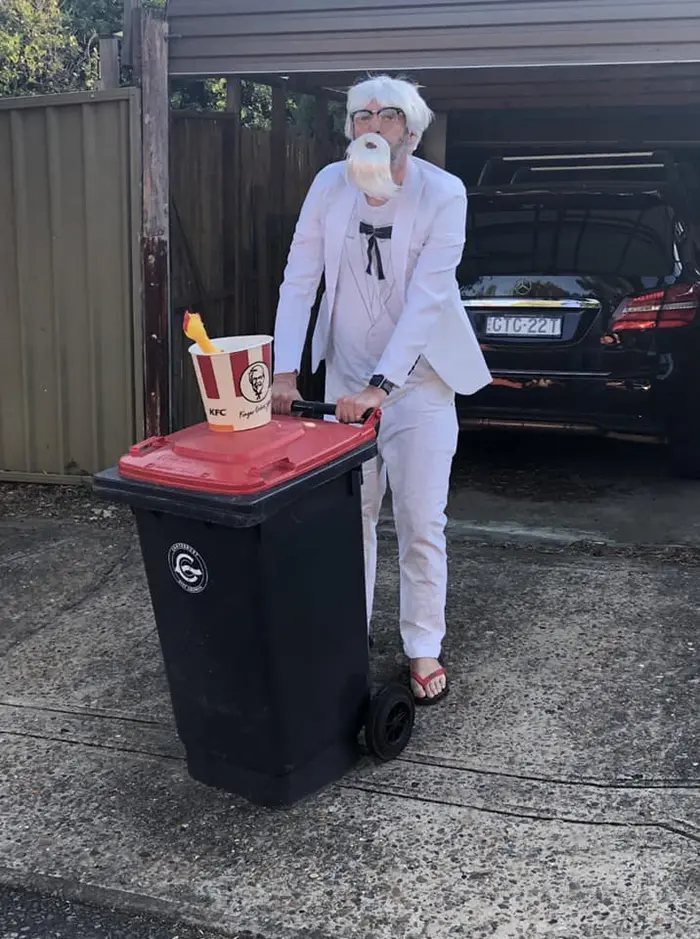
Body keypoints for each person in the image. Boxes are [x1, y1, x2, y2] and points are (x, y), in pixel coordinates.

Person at [270, 74, 491, 704]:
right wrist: (287, 370)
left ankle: (423, 647)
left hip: (418, 386)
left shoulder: (443, 194)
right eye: (360, 114)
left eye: (387, 114)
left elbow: (427, 300)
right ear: (349, 129)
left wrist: (381, 387)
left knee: (421, 519)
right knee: (352, 517)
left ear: (412, 133)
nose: (371, 123)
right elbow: (298, 280)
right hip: (343, 378)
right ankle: (349, 636)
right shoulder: (327, 186)